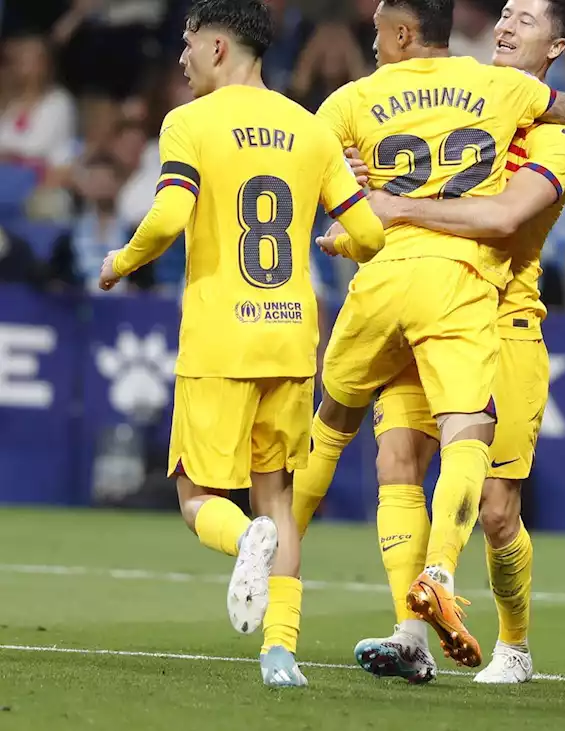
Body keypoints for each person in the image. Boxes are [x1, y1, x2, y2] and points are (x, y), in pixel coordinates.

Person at [293, 0, 565, 671]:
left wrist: (392, 204)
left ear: (554, 48)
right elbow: (385, 194)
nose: (504, 25)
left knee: (497, 510)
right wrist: (356, 198)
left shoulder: (559, 138)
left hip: (503, 320)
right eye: (503, 11)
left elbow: (501, 217)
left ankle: (515, 644)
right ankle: (411, 633)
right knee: (396, 461)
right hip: (425, 304)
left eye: (525, 20)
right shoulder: (460, 101)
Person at [97, 0, 385, 688]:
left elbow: (169, 214)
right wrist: (337, 240)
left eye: (189, 46)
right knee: (278, 500)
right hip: (291, 337)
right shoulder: (309, 129)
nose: (181, 60)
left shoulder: (189, 122)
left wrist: (122, 260)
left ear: (220, 49)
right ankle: (282, 654)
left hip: (221, 334)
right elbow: (371, 236)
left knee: (198, 495)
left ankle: (241, 543)